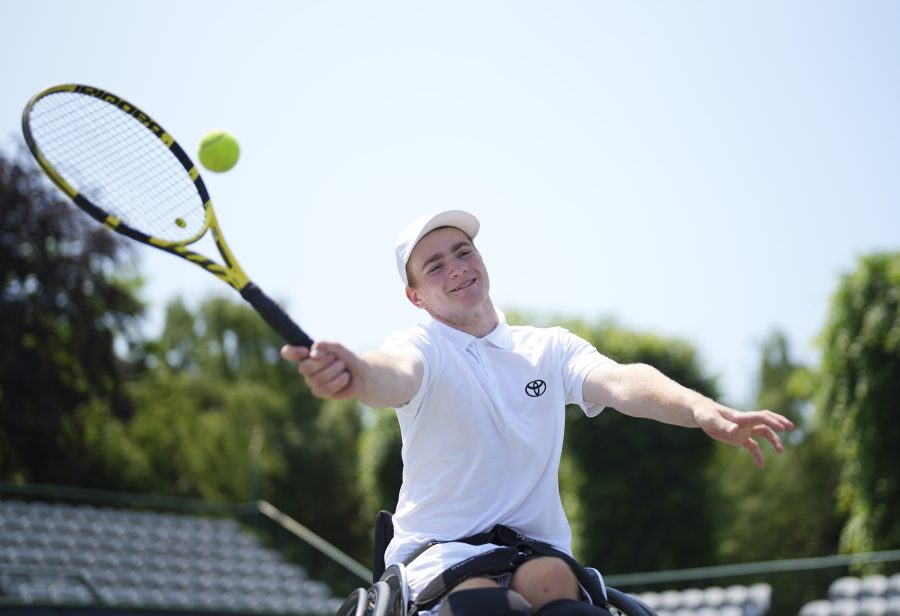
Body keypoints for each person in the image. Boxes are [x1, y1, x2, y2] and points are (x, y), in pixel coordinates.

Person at [281, 210, 794, 616]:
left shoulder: (548, 347)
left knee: (554, 587)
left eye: (464, 251)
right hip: (438, 553)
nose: (457, 267)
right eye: (435, 266)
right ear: (415, 296)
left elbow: (621, 380)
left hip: (536, 554)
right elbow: (390, 373)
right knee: (481, 603)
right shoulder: (420, 345)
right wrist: (354, 374)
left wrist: (702, 410)